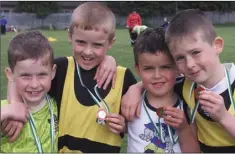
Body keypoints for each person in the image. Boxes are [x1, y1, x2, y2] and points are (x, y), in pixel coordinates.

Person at [5, 2, 137, 153]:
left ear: (110, 43)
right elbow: (20, 77)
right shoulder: (61, 69)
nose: (88, 52)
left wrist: (126, 121)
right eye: (81, 42)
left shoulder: (122, 76)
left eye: (97, 45)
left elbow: (140, 116)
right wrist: (15, 105)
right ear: (70, 36)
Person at [121, 9, 235, 153]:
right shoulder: (185, 86)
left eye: (196, 52)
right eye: (180, 58)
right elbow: (159, 80)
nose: (190, 64)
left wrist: (224, 117)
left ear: (217, 45)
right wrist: (135, 89)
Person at [127, 27, 199, 153]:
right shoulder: (130, 103)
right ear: (138, 69)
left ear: (177, 67)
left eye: (165, 67)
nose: (157, 75)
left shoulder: (188, 104)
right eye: (148, 68)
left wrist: (183, 129)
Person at [1, 30, 58, 152]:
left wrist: (109, 60)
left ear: (53, 72)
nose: (34, 84)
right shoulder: (6, 111)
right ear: (10, 75)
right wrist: (4, 111)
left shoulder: (58, 105)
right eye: (25, 76)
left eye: (42, 75)